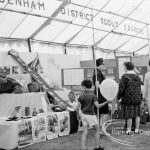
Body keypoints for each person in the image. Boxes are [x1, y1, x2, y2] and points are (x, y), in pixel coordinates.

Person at [76, 79, 111, 150]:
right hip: (91, 115)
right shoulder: (93, 96)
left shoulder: (81, 96)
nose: (82, 88)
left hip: (83, 115)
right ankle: (97, 146)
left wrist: (77, 115)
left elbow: (77, 107)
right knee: (97, 129)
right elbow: (98, 106)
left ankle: (83, 147)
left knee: (85, 131)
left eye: (82, 87)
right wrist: (107, 102)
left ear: (84, 87)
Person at [117, 62, 142, 134]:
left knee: (129, 115)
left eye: (124, 67)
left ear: (126, 67)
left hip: (128, 99)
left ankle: (128, 130)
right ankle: (136, 130)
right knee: (137, 114)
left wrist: (119, 97)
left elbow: (121, 88)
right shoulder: (137, 77)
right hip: (137, 99)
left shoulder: (125, 76)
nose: (124, 68)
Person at [92, 58, 110, 135]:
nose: (103, 66)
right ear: (100, 64)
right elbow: (97, 85)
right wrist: (105, 88)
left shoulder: (96, 71)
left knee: (99, 113)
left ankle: (99, 130)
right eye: (103, 64)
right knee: (106, 112)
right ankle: (102, 130)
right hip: (100, 95)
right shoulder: (98, 72)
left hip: (98, 94)